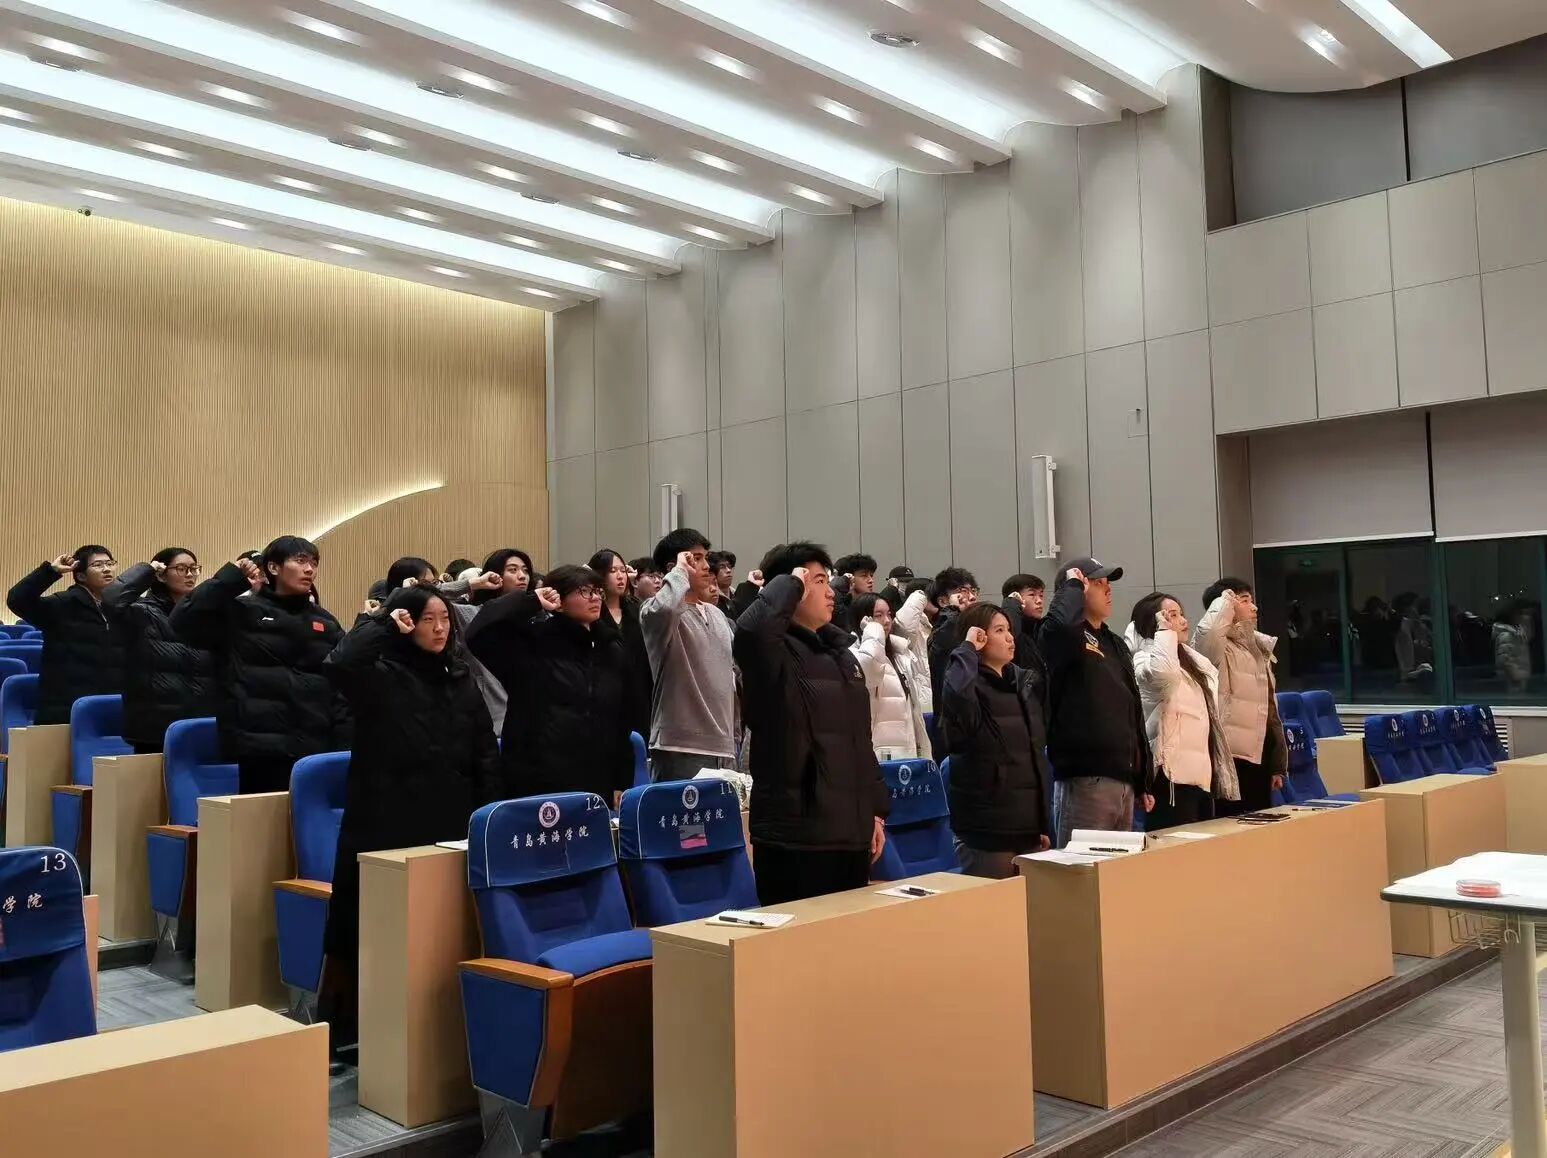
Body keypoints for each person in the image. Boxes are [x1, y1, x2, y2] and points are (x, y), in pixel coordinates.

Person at [321, 586, 499, 1010]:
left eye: (445, 619)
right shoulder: (380, 674)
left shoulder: (459, 674)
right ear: (407, 623)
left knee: (439, 926)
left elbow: (484, 751)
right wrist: (383, 623)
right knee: (379, 923)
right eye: (426, 620)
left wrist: (488, 813)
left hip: (451, 818)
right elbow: (340, 664)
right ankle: (365, 1013)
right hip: (388, 818)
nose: (439, 629)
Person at [734, 541, 887, 904]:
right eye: (818, 581)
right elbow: (752, 631)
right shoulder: (771, 652)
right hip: (795, 836)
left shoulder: (841, 656)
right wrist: (790, 582)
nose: (830, 591)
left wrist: (875, 812)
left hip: (849, 832)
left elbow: (859, 742)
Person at [172, 536, 349, 794]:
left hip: (315, 745)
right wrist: (230, 578)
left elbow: (341, 682)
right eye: (300, 561)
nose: (309, 569)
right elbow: (182, 620)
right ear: (273, 567)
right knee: (262, 817)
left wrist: (342, 742)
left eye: (313, 563)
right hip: (260, 749)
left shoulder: (325, 622)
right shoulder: (241, 612)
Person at [466, 564, 633, 802]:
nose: (595, 598)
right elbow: (479, 633)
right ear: (559, 600)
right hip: (538, 779)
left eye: (597, 591)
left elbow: (621, 718)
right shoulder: (533, 643)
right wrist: (532, 600)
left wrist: (621, 781)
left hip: (597, 777)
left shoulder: (611, 647)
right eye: (584, 591)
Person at [1042, 557, 1153, 845]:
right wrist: (1071, 586)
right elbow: (1060, 627)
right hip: (1085, 777)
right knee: (1082, 867)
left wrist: (1142, 776)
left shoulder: (1114, 642)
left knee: (1116, 870)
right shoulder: (1064, 637)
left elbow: (1132, 709)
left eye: (1108, 583)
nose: (1108, 589)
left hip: (1123, 778)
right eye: (1097, 583)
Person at [941, 602, 1052, 877]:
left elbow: (1034, 759)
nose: (1010, 638)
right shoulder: (968, 685)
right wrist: (967, 648)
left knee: (1033, 903)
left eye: (1009, 630)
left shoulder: (1023, 685)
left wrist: (1041, 824)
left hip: (1027, 828)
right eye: (999, 631)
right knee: (997, 903)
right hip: (987, 831)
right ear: (979, 637)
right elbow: (957, 696)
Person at [1125, 593, 1237, 829]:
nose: (1183, 621)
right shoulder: (1144, 659)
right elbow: (1164, 675)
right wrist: (1165, 633)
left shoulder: (1193, 662)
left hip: (1200, 774)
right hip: (1171, 776)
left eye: (1181, 614)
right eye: (1172, 616)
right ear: (1155, 623)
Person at [638, 528, 738, 781]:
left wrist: (735, 736)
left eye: (706, 558)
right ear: (674, 568)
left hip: (724, 747)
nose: (706, 566)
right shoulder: (655, 613)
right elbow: (665, 608)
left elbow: (732, 680)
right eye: (695, 559)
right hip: (679, 748)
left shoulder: (717, 614)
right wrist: (680, 571)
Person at [100, 548, 215, 753]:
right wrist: (147, 570)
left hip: (197, 718)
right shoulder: (141, 611)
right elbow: (112, 598)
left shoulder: (201, 614)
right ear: (161, 575)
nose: (190, 574)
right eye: (181, 569)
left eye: (194, 568)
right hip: (155, 724)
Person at [1192, 579, 1286, 815]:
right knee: (1232, 823)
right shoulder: (1217, 647)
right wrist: (1225, 600)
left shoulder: (1257, 646)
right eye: (1244, 601)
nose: (1254, 607)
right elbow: (1209, 632)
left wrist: (1276, 762)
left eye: (1252, 600)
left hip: (1259, 753)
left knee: (1261, 823)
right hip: (1231, 756)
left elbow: (1270, 710)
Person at [7, 546, 126, 726]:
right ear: (81, 576)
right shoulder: (62, 604)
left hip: (112, 705)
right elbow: (18, 600)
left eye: (110, 563)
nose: (107, 569)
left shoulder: (121, 607)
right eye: (98, 565)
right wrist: (51, 571)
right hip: (66, 708)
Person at [848, 593, 929, 761]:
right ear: (863, 620)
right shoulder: (854, 655)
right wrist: (873, 631)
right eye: (878, 615)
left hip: (907, 752)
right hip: (877, 755)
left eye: (889, 614)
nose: (887, 621)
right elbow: (869, 671)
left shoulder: (900, 654)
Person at [589, 547, 652, 738]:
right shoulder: (591, 610)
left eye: (623, 570)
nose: (620, 576)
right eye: (612, 571)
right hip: (604, 695)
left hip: (639, 692)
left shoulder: (637, 609)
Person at [926, 566, 979, 721]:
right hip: (952, 721)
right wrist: (952, 609)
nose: (972, 597)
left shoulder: (975, 629)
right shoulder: (940, 632)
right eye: (963, 591)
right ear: (943, 601)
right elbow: (946, 642)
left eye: (973, 591)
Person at [893, 578, 938, 715]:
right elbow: (904, 626)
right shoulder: (911, 625)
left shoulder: (936, 624)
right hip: (921, 701)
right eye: (933, 596)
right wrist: (921, 594)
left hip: (938, 698)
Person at [1000, 573, 1048, 669]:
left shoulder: (1041, 630)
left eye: (1041, 595)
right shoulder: (1008, 629)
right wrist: (1012, 604)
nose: (1039, 601)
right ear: (1016, 598)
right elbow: (1012, 637)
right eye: (1032, 594)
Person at [833, 553, 878, 631]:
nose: (871, 580)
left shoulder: (871, 606)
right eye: (864, 575)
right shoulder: (838, 608)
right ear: (849, 578)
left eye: (871, 575)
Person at [706, 550, 737, 616]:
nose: (728, 570)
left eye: (729, 566)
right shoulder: (712, 598)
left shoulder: (736, 594)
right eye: (722, 567)